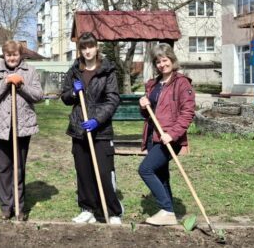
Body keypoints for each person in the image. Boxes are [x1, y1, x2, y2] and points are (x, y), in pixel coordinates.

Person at [61, 32, 123, 225]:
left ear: (97, 48)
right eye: (83, 47)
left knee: (104, 172)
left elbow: (112, 99)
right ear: (80, 50)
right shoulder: (74, 71)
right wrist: (73, 92)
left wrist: (97, 120)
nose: (87, 51)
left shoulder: (107, 70)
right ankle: (87, 209)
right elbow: (64, 97)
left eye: (90, 47)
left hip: (101, 130)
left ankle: (113, 212)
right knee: (84, 171)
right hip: (79, 128)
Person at [0, 40, 44, 221]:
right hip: (1, 127)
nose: (12, 58)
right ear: (4, 55)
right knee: (4, 168)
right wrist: (5, 83)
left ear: (20, 55)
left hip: (22, 126)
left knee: (18, 167)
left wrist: (21, 85)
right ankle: (5, 206)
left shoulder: (30, 71)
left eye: (15, 54)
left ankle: (19, 207)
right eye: (8, 54)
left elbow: (38, 96)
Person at [138, 43, 195, 226]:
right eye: (158, 62)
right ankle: (168, 213)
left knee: (145, 169)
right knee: (161, 176)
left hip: (170, 138)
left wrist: (173, 134)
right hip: (153, 136)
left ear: (172, 60)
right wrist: (143, 105)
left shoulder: (181, 83)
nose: (162, 64)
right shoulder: (153, 84)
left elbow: (188, 113)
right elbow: (148, 115)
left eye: (165, 60)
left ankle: (166, 209)